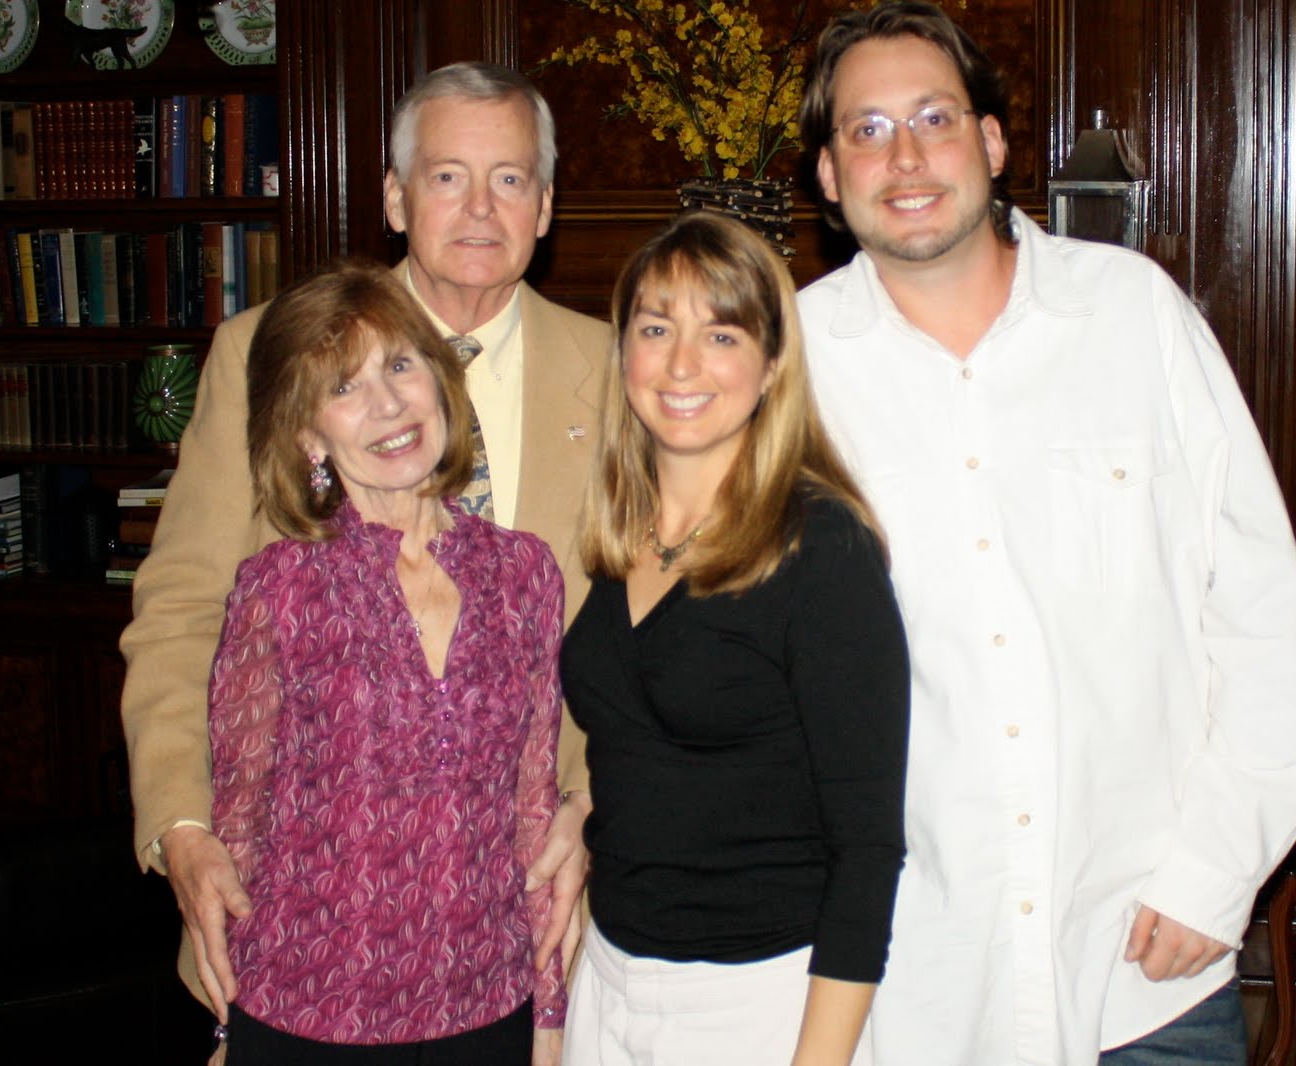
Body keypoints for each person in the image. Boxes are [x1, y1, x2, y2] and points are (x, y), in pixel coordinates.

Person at [794, 4, 1296, 1064]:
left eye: (935, 118)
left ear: (992, 143)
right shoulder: (789, 364)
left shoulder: (1134, 316)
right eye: (867, 129)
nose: (905, 156)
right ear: (828, 174)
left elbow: (1256, 613)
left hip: (1142, 966)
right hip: (911, 983)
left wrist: (1215, 872)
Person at [119, 62, 610, 1031]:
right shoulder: (264, 356)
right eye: (446, 177)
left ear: (546, 206)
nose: (480, 208)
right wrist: (181, 822)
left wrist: (599, 802)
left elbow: (657, 630)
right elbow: (181, 609)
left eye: (510, 178)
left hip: (539, 921)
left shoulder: (624, 373)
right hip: (299, 942)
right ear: (393, 198)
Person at [558, 212, 911, 1066]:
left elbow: (867, 849)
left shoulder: (821, 545)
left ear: (772, 363)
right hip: (607, 983)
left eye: (721, 334)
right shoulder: (619, 533)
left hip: (757, 1003)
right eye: (656, 329)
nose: (681, 364)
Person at [209, 261, 564, 1063]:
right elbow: (239, 829)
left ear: (440, 383)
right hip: (305, 1014)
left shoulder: (525, 574)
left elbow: (533, 810)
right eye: (344, 387)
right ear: (308, 435)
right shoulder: (279, 588)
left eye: (401, 365)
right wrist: (228, 1024)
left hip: (486, 1005)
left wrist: (549, 1014)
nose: (389, 404)